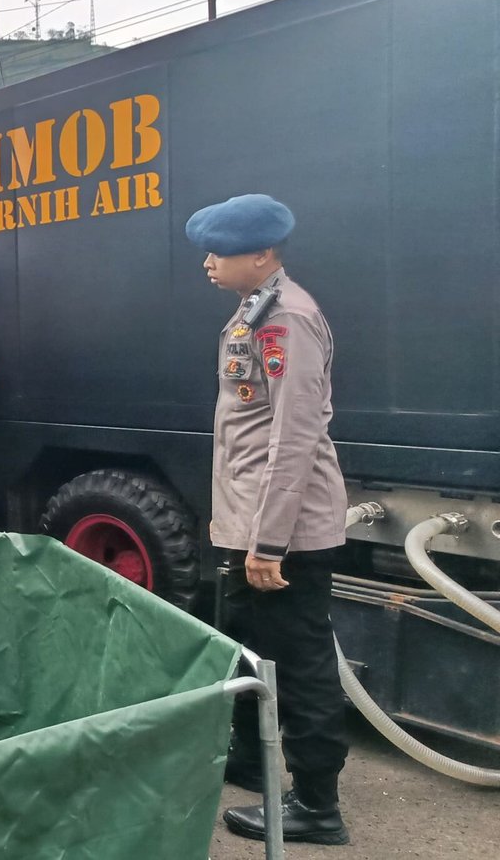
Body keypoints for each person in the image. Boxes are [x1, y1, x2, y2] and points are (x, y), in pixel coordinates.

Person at [189, 194, 350, 846]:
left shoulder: (288, 318)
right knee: (252, 647)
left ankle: (317, 804)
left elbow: (295, 436)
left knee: (302, 660)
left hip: (282, 531)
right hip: (253, 522)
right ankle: (253, 761)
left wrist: (269, 543)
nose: (208, 262)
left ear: (260, 255)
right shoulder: (253, 312)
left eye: (219, 252)